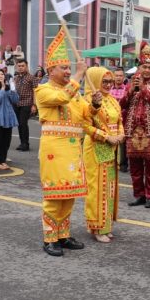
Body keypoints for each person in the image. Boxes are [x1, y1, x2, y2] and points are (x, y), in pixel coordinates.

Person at [34, 30, 89, 256]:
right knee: (54, 195)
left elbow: (86, 113)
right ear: (51, 70)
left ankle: (63, 235)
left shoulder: (74, 92)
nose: (68, 71)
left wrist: (95, 104)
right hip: (54, 151)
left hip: (73, 149)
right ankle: (50, 238)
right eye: (64, 68)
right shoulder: (43, 90)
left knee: (69, 194)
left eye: (69, 68)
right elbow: (62, 98)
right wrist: (78, 74)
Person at [121, 42, 150, 209]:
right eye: (144, 67)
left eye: (149, 67)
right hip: (132, 131)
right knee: (135, 167)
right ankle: (139, 195)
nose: (146, 70)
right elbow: (122, 104)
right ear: (139, 67)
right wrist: (131, 90)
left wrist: (144, 89)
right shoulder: (130, 84)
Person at [82, 67, 124, 243]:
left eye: (110, 81)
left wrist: (120, 134)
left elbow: (119, 120)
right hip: (96, 147)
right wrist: (106, 137)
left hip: (113, 149)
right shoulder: (88, 100)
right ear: (95, 81)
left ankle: (107, 226)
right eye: (104, 81)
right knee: (97, 188)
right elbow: (86, 125)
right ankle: (97, 227)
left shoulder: (112, 100)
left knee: (110, 188)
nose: (108, 85)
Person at [12, 59, 37, 151]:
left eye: (23, 66)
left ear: (26, 66)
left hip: (27, 103)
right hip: (17, 103)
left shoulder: (32, 78)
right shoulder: (16, 78)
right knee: (19, 124)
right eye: (19, 66)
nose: (21, 68)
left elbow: (35, 92)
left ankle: (25, 144)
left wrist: (34, 105)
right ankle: (22, 142)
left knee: (23, 123)